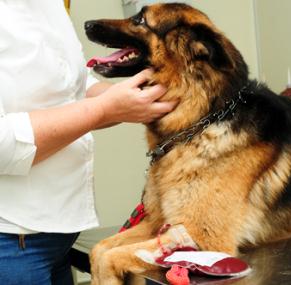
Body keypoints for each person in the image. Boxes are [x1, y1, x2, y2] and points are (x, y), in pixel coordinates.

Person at [0, 1, 176, 284]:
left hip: (58, 236)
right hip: (10, 242)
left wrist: (143, 100)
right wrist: (107, 109)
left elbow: (74, 86)